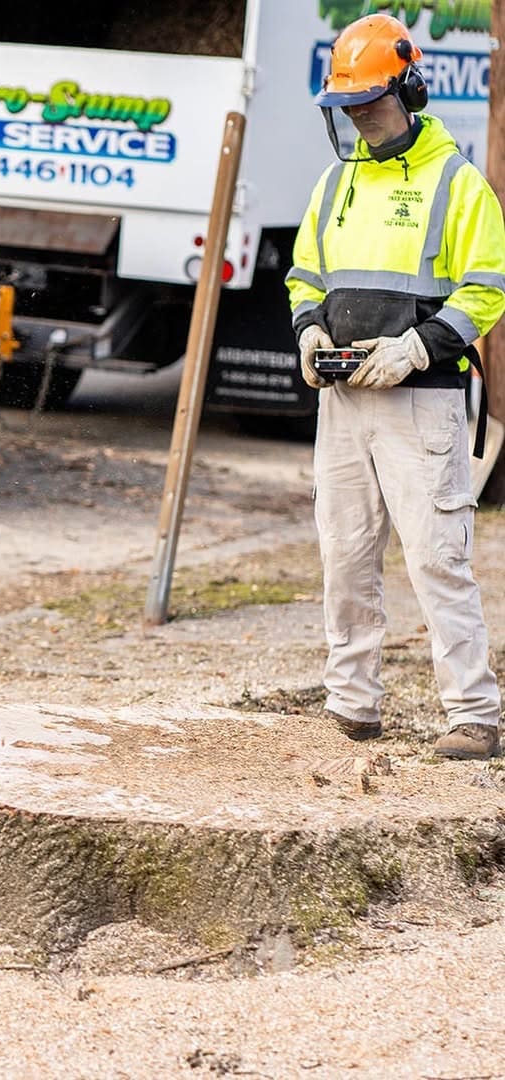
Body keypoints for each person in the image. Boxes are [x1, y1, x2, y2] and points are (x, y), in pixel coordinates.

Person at [285, 13, 505, 760]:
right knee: (344, 553)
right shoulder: (336, 182)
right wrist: (310, 329)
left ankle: (473, 715)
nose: (359, 119)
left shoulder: (458, 183)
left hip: (422, 400)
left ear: (408, 91)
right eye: (347, 108)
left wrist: (417, 346)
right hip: (345, 399)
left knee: (436, 556)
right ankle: (352, 704)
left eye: (370, 104)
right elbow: (304, 273)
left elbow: (485, 291)